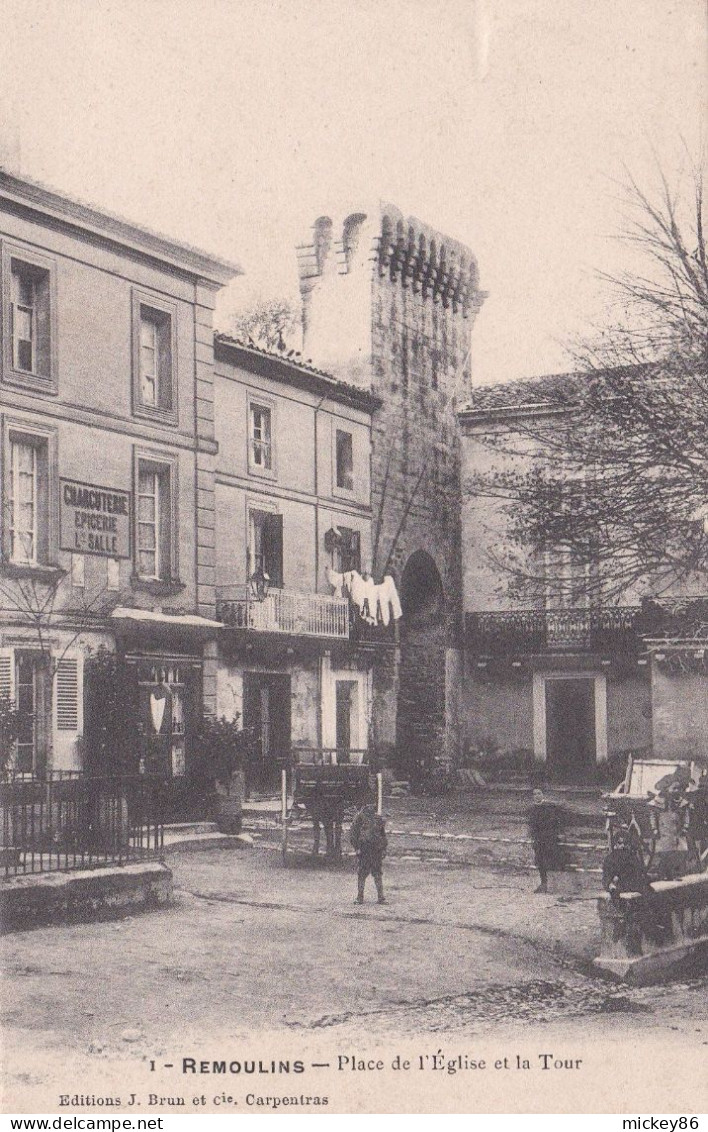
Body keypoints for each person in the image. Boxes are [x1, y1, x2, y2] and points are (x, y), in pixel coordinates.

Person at [527, 787, 565, 893]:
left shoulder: (549, 807)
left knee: (551, 860)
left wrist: (557, 834)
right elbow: (532, 825)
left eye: (539, 793)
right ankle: (543, 883)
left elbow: (556, 821)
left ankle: (553, 885)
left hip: (549, 838)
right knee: (540, 861)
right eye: (534, 794)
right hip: (538, 839)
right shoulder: (532, 809)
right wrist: (532, 837)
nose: (537, 796)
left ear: (543, 795)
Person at [350, 801, 387, 904]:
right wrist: (357, 848)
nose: (371, 806)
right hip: (364, 849)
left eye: (372, 804)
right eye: (368, 804)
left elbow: (383, 835)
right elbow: (353, 834)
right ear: (364, 805)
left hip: (376, 850)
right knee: (362, 873)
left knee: (377, 873)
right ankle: (359, 897)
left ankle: (381, 898)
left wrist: (383, 849)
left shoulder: (378, 819)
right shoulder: (359, 818)